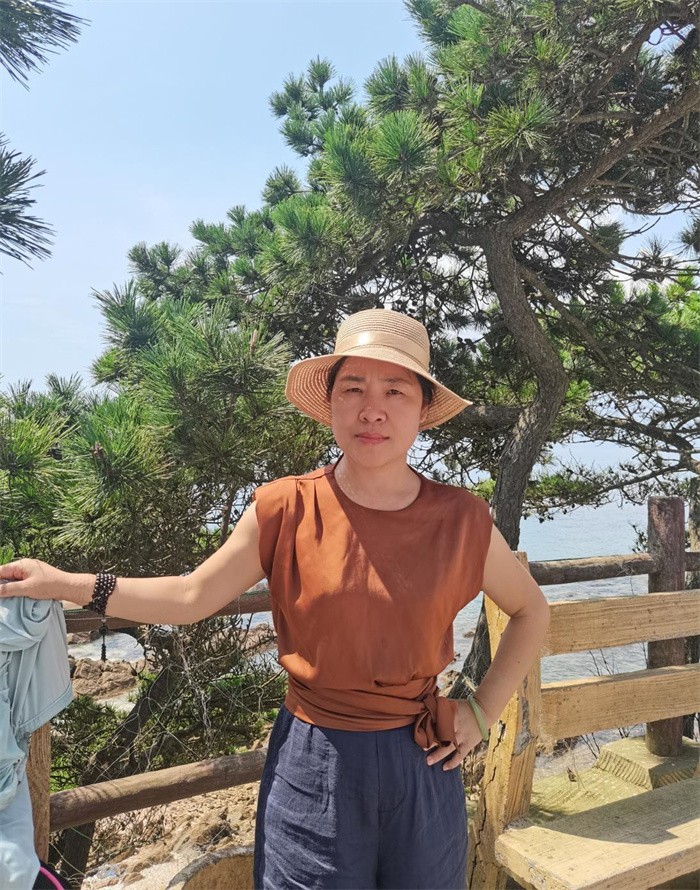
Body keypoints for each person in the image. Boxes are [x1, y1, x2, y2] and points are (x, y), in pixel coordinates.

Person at [0, 308, 550, 890]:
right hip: (313, 761)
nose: (372, 409)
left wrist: (480, 710)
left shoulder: (461, 518)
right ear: (330, 403)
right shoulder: (286, 507)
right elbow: (191, 595)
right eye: (353, 389)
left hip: (422, 764)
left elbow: (531, 610)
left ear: (422, 409)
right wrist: (67, 584)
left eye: (395, 390)